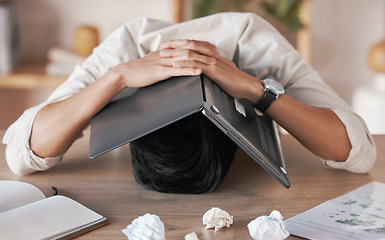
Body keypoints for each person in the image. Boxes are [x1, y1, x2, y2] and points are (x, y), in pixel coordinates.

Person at [2, 12, 376, 193]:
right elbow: (20, 154)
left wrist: (254, 89)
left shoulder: (257, 44)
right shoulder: (126, 49)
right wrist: (116, 77)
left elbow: (359, 152)